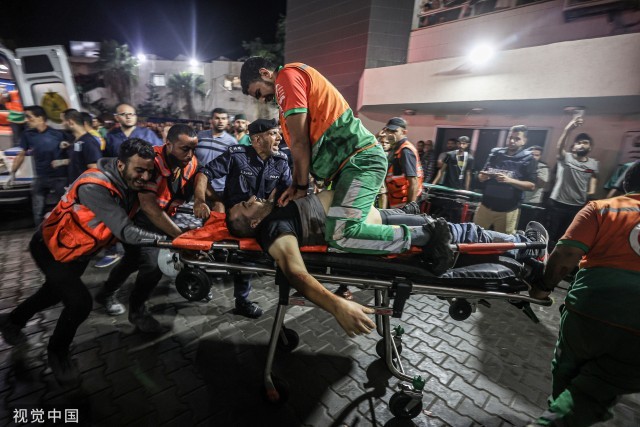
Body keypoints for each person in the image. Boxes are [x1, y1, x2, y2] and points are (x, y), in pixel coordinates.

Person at [224, 190, 548, 337]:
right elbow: (295, 272)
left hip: (374, 217)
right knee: (459, 234)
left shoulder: (276, 210)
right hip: (373, 232)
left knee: (451, 230)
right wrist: (337, 305)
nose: (250, 199)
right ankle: (526, 249)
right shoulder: (273, 229)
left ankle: (521, 254)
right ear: (253, 224)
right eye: (245, 206)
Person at [0, 139, 162, 385]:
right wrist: (170, 241)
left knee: (52, 294)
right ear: (121, 165)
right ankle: (57, 353)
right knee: (79, 303)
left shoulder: (129, 182)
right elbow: (125, 231)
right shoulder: (93, 186)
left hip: (79, 251)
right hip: (49, 248)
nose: (145, 177)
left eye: (149, 171)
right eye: (140, 170)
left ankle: (12, 322)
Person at [240, 57, 417, 256]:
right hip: (352, 164)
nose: (262, 99)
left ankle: (424, 235)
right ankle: (419, 222)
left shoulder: (286, 78)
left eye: (258, 93)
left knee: (342, 233)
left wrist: (301, 187)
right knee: (359, 220)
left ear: (265, 74)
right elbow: (300, 145)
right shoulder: (291, 82)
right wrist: (296, 185)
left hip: (360, 162)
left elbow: (300, 142)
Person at [530, 161, 640, 427]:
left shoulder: (602, 208)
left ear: (626, 184)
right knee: (595, 392)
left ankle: (556, 414)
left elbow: (566, 254)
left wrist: (542, 289)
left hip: (589, 312)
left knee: (567, 373)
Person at [96, 125, 199, 330]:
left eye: (193, 149)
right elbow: (149, 206)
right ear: (169, 145)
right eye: (184, 149)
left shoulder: (189, 161)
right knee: (152, 265)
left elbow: (200, 177)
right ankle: (137, 312)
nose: (190, 154)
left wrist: (203, 199)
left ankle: (105, 293)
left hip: (160, 219)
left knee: (132, 260)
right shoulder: (152, 162)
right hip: (138, 220)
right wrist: (180, 237)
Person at [193, 118, 292, 318]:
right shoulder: (237, 154)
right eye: (274, 133)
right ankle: (206, 285)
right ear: (256, 139)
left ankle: (242, 300)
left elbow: (288, 190)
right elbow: (204, 173)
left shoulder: (281, 161)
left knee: (248, 261)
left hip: (258, 220)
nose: (279, 138)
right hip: (234, 218)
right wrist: (201, 200)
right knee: (221, 256)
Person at [97, 104, 162, 268]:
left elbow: (158, 159)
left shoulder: (147, 134)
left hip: (140, 185)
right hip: (118, 186)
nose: (128, 117)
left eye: (131, 114)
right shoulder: (111, 136)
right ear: (117, 117)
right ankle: (115, 250)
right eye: (124, 114)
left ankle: (142, 251)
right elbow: (106, 160)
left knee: (139, 218)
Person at [3, 105, 68, 225]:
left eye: (29, 117)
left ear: (40, 118)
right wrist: (12, 173)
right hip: (41, 177)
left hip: (59, 177)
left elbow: (71, 153)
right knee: (38, 211)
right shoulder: (27, 134)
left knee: (66, 208)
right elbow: (21, 154)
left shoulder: (58, 134)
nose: (27, 120)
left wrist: (64, 155)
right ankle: (40, 233)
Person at [546, 116, 599, 250]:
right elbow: (560, 146)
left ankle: (556, 257)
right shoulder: (566, 157)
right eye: (578, 142)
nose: (581, 145)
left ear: (590, 147)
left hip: (577, 206)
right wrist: (568, 129)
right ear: (573, 146)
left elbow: (594, 178)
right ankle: (543, 258)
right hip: (557, 203)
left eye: (585, 143)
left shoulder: (593, 164)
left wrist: (591, 191)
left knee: (566, 236)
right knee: (549, 235)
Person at [475, 125, 537, 234]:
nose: (512, 141)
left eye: (517, 139)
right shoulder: (495, 153)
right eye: (510, 137)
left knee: (502, 242)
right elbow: (481, 175)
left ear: (524, 141)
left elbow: (531, 186)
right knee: (474, 236)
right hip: (485, 206)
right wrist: (482, 177)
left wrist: (509, 180)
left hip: (507, 210)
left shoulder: (529, 158)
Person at [382, 117, 424, 208]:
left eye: (394, 131)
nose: (390, 134)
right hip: (395, 199)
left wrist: (409, 208)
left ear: (404, 132)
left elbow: (414, 181)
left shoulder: (405, 150)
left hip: (403, 203)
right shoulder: (395, 148)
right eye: (388, 131)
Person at [53, 110, 102, 183]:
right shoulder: (77, 141)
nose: (62, 124)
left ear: (70, 122)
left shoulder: (89, 142)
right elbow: (78, 161)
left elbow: (94, 168)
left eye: (63, 121)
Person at [519, 145, 549, 228]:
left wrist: (533, 170)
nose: (534, 157)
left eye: (537, 155)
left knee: (526, 227)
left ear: (540, 156)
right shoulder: (522, 164)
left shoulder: (543, 167)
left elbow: (541, 184)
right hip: (518, 199)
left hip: (532, 202)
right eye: (532, 154)